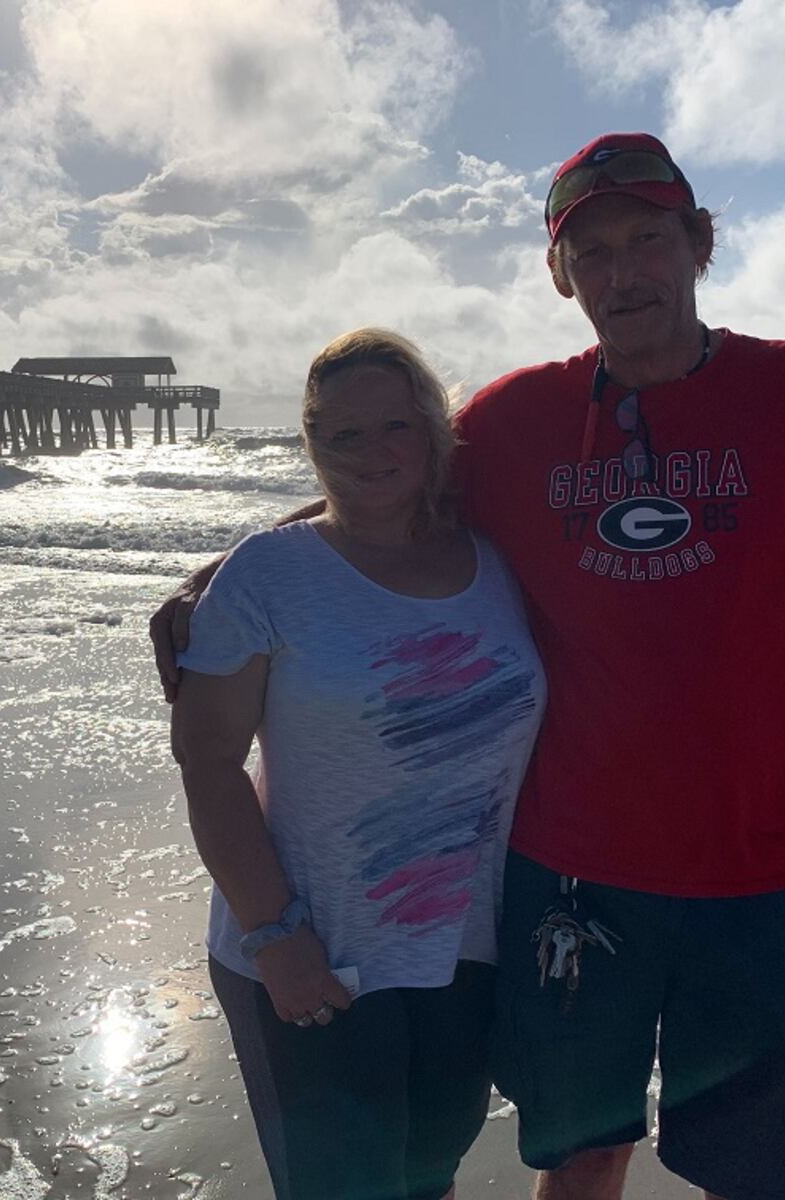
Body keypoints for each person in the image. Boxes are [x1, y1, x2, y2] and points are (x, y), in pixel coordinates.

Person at [155, 133, 785, 1200]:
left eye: (647, 240)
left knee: (769, 1171)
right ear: (560, 275)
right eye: (591, 252)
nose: (622, 273)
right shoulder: (517, 420)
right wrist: (224, 579)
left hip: (756, 870)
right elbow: (385, 483)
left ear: (698, 244)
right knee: (582, 1148)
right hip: (565, 874)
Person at [169, 328, 547, 1200]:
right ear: (312, 444)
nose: (375, 453)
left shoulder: (496, 562)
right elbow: (207, 758)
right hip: (311, 949)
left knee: (429, 1173)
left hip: (461, 951)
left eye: (397, 427)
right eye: (345, 435)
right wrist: (275, 939)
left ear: (433, 432)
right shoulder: (267, 574)